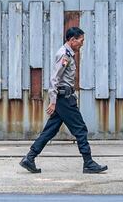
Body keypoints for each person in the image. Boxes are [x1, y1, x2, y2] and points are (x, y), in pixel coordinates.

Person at [20, 26, 108, 174]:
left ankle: (30, 158)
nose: (82, 43)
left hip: (63, 98)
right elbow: (55, 79)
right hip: (64, 99)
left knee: (50, 131)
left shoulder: (68, 53)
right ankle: (88, 163)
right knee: (80, 129)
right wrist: (53, 101)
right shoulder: (65, 55)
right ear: (72, 40)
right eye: (81, 40)